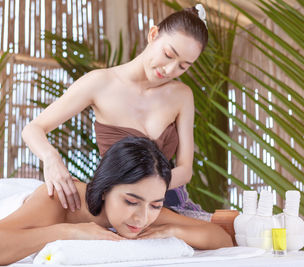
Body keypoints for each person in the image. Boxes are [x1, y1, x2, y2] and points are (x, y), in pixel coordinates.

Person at [21, 4, 209, 212]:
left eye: (183, 66)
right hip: (118, 203)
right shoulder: (100, 83)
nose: (170, 69)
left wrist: (148, 191)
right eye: (168, 54)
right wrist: (51, 159)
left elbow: (185, 169)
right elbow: (33, 129)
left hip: (165, 202)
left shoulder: (182, 95)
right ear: (153, 34)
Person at [0, 137, 232, 265]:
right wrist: (71, 232)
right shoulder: (58, 199)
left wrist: (173, 230)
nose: (143, 218)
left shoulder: (144, 209)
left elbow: (220, 238)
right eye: (131, 201)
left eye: (156, 204)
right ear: (104, 189)